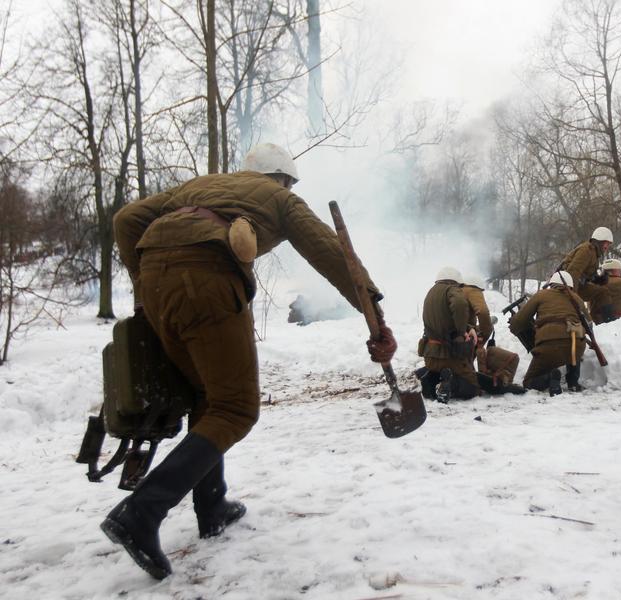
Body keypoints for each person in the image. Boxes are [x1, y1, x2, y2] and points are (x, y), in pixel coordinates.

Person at [105, 143, 396, 580]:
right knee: (236, 407)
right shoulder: (279, 199)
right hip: (206, 276)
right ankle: (141, 513)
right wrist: (375, 315)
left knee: (207, 393)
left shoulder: (198, 186)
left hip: (155, 280)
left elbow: (127, 220)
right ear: (282, 179)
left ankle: (212, 505)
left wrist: (144, 283)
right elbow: (331, 253)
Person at [509, 271, 589, 395]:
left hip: (548, 346)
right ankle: (573, 382)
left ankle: (550, 377)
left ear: (552, 284)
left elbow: (518, 323)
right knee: (574, 337)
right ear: (571, 286)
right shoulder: (577, 299)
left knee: (529, 382)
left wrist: (515, 324)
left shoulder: (541, 295)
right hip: (576, 347)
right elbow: (588, 324)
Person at [415, 267, 481, 401]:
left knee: (442, 370)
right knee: (473, 388)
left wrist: (468, 328)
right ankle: (450, 384)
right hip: (449, 354)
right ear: (455, 281)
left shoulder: (431, 292)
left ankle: (431, 379)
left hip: (431, 355)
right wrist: (461, 332)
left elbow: (443, 320)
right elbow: (459, 303)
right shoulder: (452, 289)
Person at [460, 274, 524, 395]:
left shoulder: (458, 292)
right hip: (465, 337)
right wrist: (486, 330)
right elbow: (483, 312)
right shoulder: (473, 290)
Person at [559, 226, 614, 304]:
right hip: (565, 286)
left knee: (602, 292)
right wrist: (572, 298)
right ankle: (603, 316)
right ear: (600, 241)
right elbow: (573, 272)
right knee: (602, 292)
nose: (607, 247)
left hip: (578, 285)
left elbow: (588, 275)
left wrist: (598, 279)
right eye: (607, 243)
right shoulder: (586, 250)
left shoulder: (594, 253)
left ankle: (596, 316)